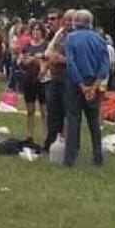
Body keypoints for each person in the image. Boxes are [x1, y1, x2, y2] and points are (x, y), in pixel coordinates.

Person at [63, 9, 110, 168]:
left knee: (73, 119)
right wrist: (94, 86)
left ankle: (70, 158)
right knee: (94, 122)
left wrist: (82, 86)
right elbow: (105, 66)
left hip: (76, 83)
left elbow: (71, 63)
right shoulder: (100, 39)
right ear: (90, 23)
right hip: (94, 81)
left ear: (76, 22)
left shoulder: (70, 38)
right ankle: (98, 157)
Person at [41, 9, 73, 152]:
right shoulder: (59, 34)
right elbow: (49, 53)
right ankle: (51, 142)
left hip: (68, 79)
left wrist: (63, 60)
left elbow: (80, 61)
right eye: (66, 19)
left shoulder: (75, 37)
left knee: (68, 113)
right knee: (53, 112)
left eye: (70, 20)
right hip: (54, 78)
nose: (67, 22)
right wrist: (44, 65)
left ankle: (66, 144)